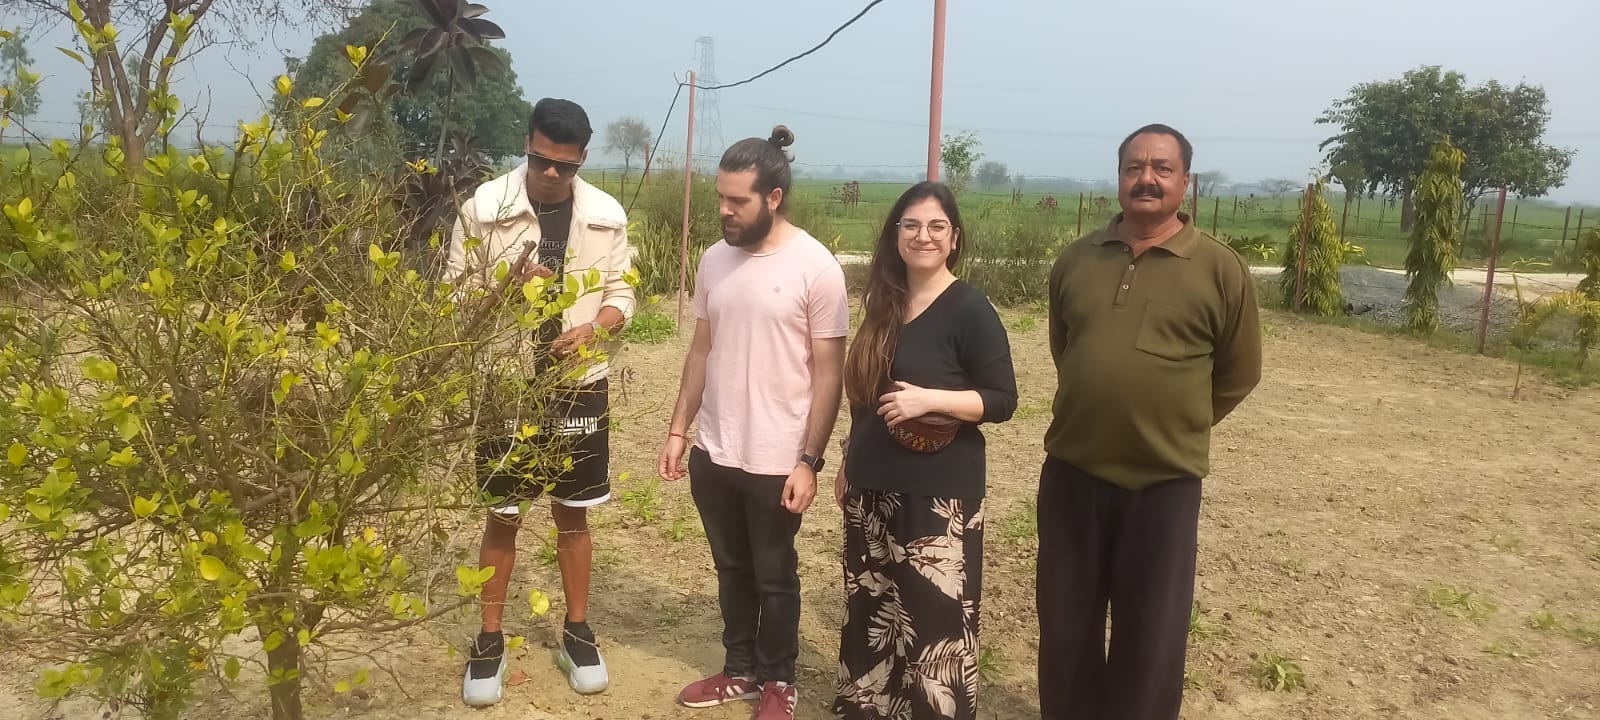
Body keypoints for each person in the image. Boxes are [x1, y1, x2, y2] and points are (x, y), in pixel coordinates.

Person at [1036, 123, 1262, 720]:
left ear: (1186, 181)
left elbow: (1239, 372)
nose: (1147, 178)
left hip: (1162, 483)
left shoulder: (1218, 268)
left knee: (1151, 635)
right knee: (1066, 623)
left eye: (1162, 168)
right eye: (1134, 166)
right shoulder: (1077, 260)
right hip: (1073, 474)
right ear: (1118, 178)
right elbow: (1068, 349)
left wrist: (1175, 422)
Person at [445, 98, 634, 706]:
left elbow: (621, 291)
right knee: (503, 512)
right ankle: (490, 638)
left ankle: (577, 631)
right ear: (525, 146)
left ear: (581, 159)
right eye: (539, 160)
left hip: (577, 381)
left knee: (573, 511)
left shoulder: (605, 214)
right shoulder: (484, 209)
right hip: (506, 382)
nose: (551, 174)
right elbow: (454, 294)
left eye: (565, 165)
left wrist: (597, 328)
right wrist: (503, 287)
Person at [658, 125, 848, 720]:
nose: (724, 210)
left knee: (774, 575)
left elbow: (829, 375)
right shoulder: (714, 260)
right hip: (715, 451)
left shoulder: (816, 267)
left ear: (772, 198)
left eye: (737, 200)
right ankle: (738, 669)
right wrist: (677, 430)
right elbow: (700, 350)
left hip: (777, 457)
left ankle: (779, 680)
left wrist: (809, 461)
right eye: (720, 197)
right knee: (731, 568)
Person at [830, 182, 1017, 720]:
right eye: (910, 225)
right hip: (872, 487)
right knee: (874, 614)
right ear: (895, 235)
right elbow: (864, 394)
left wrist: (932, 400)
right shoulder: (882, 301)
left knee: (935, 630)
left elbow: (1004, 399)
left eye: (936, 226)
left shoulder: (970, 307)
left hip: (940, 499)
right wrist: (848, 460)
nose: (923, 235)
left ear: (954, 238)